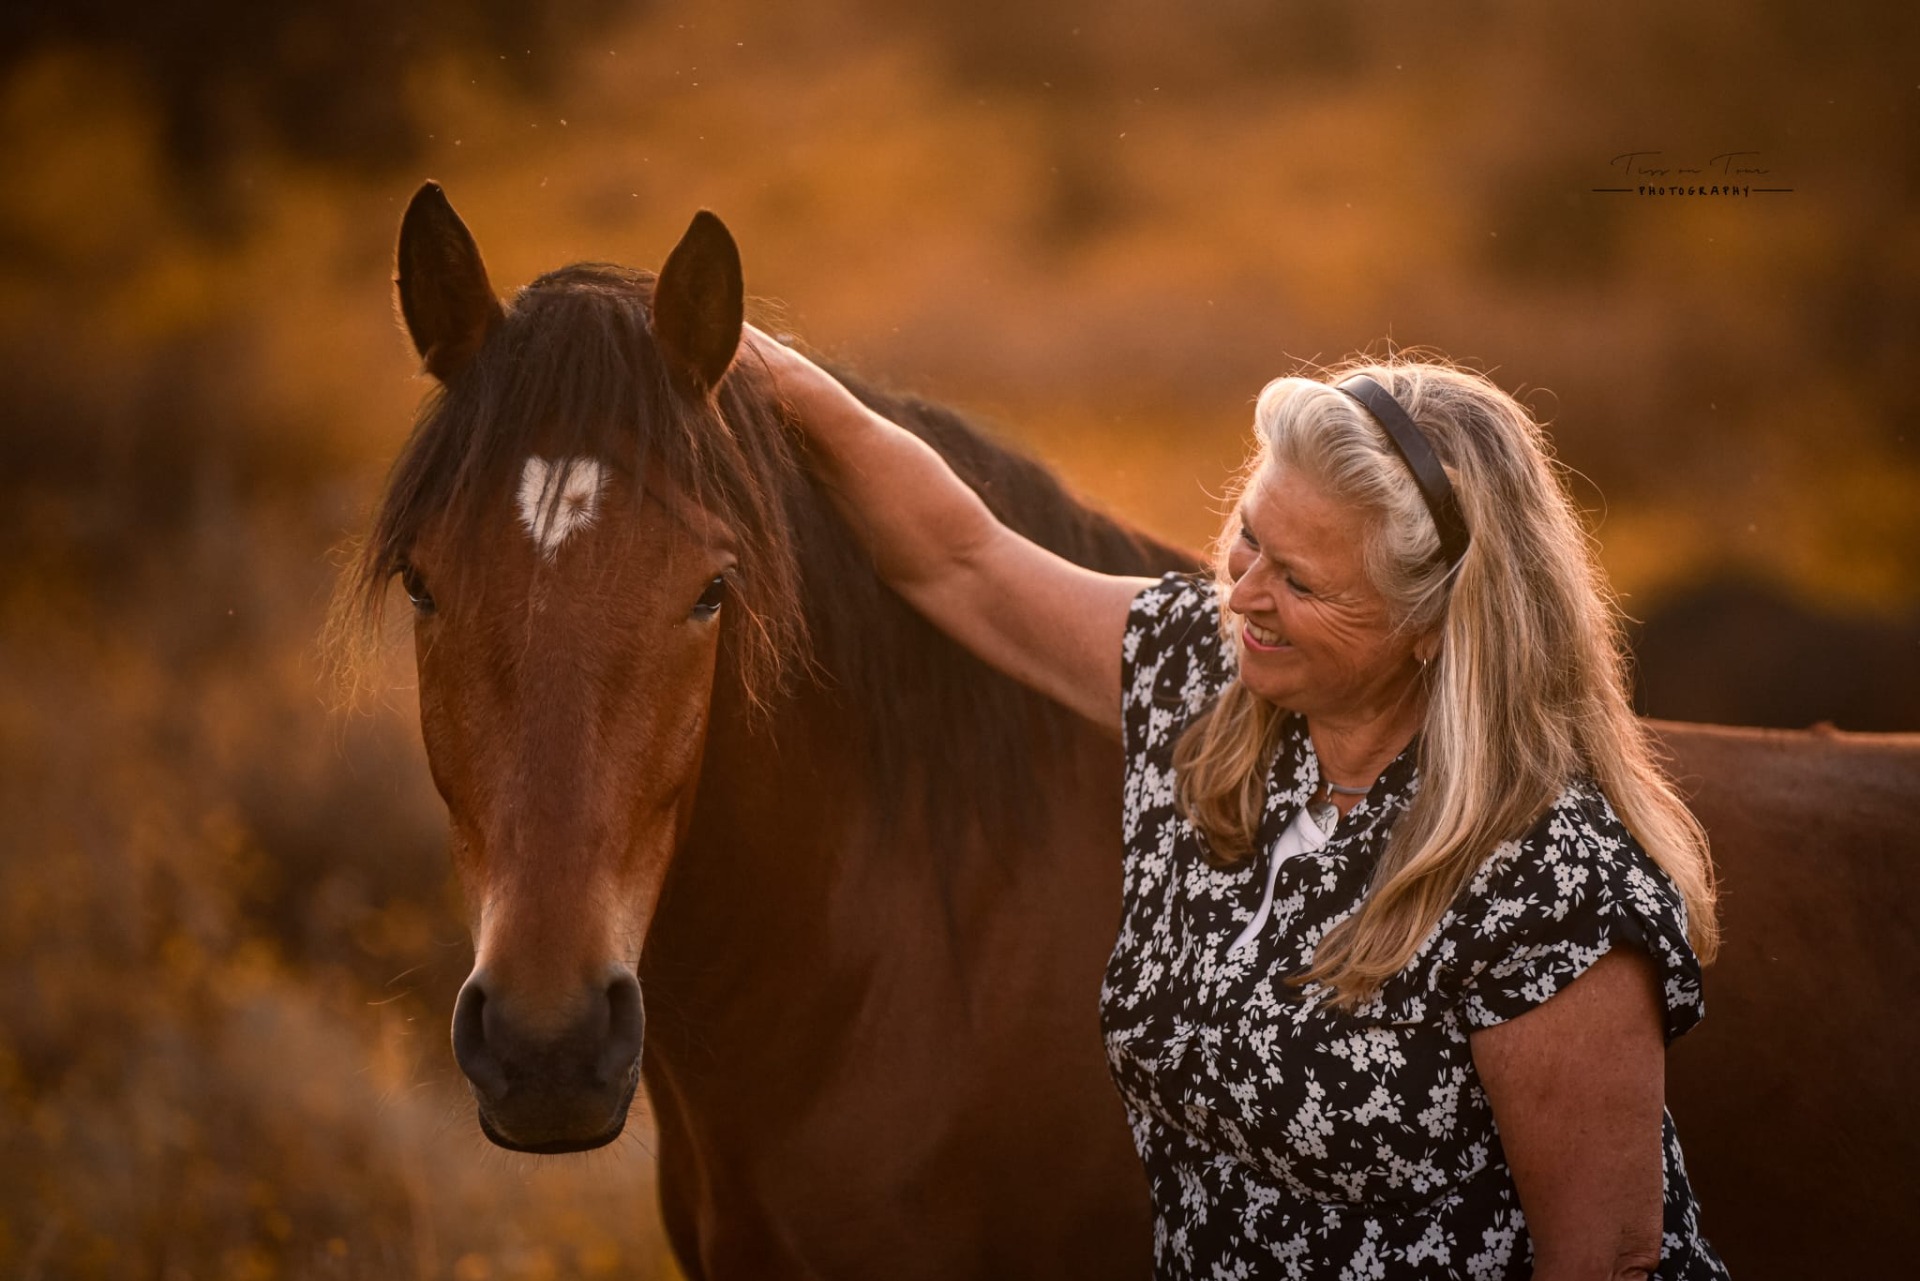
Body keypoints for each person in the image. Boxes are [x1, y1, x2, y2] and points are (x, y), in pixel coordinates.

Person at [747, 330, 1727, 1281]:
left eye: (1298, 582)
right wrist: (763, 366)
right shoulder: (1202, 678)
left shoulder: (1545, 877)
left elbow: (1605, 1259)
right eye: (1247, 539)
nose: (1242, 595)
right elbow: (960, 561)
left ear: (1436, 626)